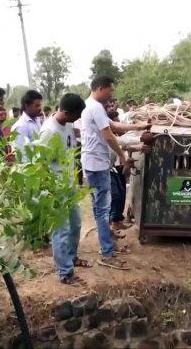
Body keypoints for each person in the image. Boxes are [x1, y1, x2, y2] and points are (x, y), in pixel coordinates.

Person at [81, 75, 149, 269]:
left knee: (100, 209)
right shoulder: (94, 107)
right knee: (103, 211)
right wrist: (122, 156)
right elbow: (109, 136)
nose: (112, 94)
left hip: (95, 163)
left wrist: (137, 126)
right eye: (110, 90)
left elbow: (113, 126)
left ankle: (109, 243)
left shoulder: (92, 106)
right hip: (97, 164)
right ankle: (108, 252)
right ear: (101, 88)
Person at [32, 93, 90, 285]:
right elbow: (41, 164)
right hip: (56, 187)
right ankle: (65, 272)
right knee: (61, 229)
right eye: (77, 115)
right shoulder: (50, 132)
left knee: (75, 223)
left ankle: (71, 258)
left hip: (69, 183)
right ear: (65, 113)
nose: (79, 119)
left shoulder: (67, 125)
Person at [11, 90, 43, 162]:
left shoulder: (37, 121)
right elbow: (22, 155)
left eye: (40, 105)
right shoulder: (21, 126)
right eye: (37, 105)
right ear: (26, 106)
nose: (40, 108)